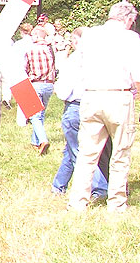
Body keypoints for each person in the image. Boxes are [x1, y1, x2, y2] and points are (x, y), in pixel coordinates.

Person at [68, 2, 140, 213]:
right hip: (118, 96)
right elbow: (137, 74)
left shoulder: (89, 35)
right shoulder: (131, 39)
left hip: (91, 95)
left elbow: (78, 65)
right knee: (120, 152)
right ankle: (116, 203)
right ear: (128, 19)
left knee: (87, 154)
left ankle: (77, 201)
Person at [51, 27, 111, 200]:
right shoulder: (102, 59)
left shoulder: (75, 60)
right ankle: (58, 185)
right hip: (98, 105)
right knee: (71, 149)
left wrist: (58, 89)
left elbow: (64, 90)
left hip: (76, 107)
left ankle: (99, 188)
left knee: (81, 152)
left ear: (77, 41)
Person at [24, 25, 55, 155]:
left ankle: (43, 140)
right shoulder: (50, 49)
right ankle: (35, 142)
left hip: (36, 83)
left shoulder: (30, 50)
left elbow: (25, 67)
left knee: (34, 115)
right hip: (49, 84)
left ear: (36, 36)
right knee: (41, 114)